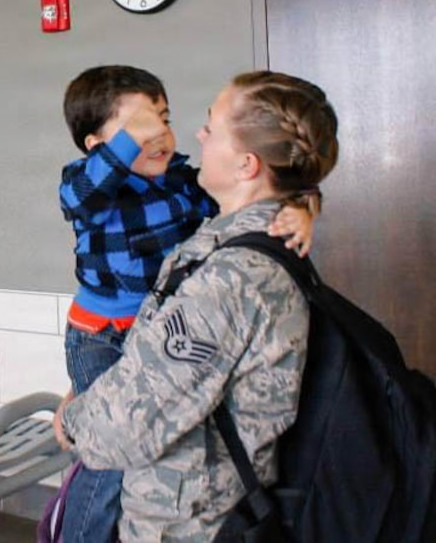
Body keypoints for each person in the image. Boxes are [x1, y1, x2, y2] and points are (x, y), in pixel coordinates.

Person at [54, 70, 339, 541]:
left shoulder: (227, 262)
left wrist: (305, 205)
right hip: (101, 334)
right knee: (101, 474)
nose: (187, 134)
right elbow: (82, 191)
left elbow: (123, 422)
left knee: (104, 460)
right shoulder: (97, 188)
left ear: (246, 164)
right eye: (141, 127)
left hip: (189, 511)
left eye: (165, 120)